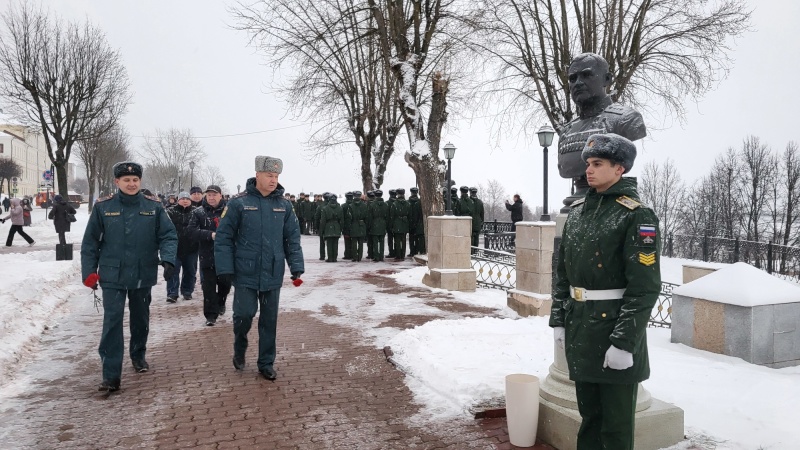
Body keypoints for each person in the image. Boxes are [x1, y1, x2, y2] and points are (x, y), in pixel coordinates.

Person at [549, 134, 660, 450]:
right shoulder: (579, 212)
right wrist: (559, 320)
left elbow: (644, 287)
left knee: (615, 429)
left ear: (619, 168)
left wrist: (624, 343)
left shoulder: (636, 215)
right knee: (590, 420)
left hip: (614, 329)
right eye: (588, 164)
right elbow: (562, 275)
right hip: (581, 328)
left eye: (598, 164)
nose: (589, 170)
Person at [81, 161, 177, 392]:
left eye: (135, 180)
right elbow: (90, 243)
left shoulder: (153, 207)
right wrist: (89, 272)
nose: (132, 183)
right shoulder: (104, 207)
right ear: (117, 182)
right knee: (112, 321)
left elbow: (168, 235)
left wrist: (168, 259)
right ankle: (111, 375)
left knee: (140, 318)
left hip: (143, 272)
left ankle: (138, 355)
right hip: (112, 274)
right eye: (126, 180)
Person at [215, 156, 304, 381]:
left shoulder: (284, 205)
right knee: (244, 314)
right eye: (269, 175)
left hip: (273, 271)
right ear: (258, 175)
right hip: (245, 271)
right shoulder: (238, 203)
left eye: (276, 176)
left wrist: (297, 267)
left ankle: (266, 362)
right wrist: (224, 269)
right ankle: (240, 343)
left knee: (269, 320)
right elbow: (224, 238)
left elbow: (292, 239)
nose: (273, 180)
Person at [557, 53, 647, 194]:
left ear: (607, 79)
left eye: (586, 75)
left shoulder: (626, 119)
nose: (578, 83)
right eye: (572, 78)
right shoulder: (566, 131)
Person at [188, 185, 230, 326]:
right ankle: (210, 315)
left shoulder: (229, 211)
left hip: (226, 255)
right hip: (207, 255)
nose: (211, 198)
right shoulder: (198, 212)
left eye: (214, 195)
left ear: (220, 196)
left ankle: (221, 301)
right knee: (208, 286)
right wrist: (210, 235)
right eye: (209, 195)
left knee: (225, 284)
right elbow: (191, 232)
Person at [165, 192, 199, 302]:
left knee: (190, 271)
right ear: (178, 200)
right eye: (182, 198)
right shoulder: (170, 212)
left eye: (187, 199)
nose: (185, 201)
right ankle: (172, 293)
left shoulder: (196, 212)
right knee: (173, 271)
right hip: (175, 247)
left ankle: (187, 291)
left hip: (191, 247)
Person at [319, 192, 343, 262]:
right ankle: (335, 257)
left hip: (328, 227)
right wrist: (340, 228)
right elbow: (342, 220)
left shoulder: (325, 208)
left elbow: (323, 221)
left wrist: (322, 230)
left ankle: (330, 258)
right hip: (337, 226)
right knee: (335, 243)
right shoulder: (340, 208)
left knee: (329, 243)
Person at [346, 190, 368, 262]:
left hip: (354, 224)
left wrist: (348, 227)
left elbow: (349, 218)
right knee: (361, 242)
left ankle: (355, 257)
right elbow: (366, 217)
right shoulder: (364, 205)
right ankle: (360, 257)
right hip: (362, 225)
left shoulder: (350, 206)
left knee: (354, 242)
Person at [389, 188, 410, 261]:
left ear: (397, 194)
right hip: (404, 223)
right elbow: (410, 215)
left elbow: (392, 216)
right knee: (403, 240)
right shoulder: (407, 203)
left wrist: (391, 226)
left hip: (397, 223)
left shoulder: (394, 204)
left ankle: (398, 255)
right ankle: (403, 254)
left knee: (397, 240)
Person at [368, 189, 388, 262]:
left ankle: (376, 256)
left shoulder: (372, 205)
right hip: (382, 223)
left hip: (374, 223)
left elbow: (370, 217)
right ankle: (381, 256)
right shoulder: (385, 205)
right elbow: (387, 216)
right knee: (382, 241)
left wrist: (369, 226)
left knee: (375, 241)